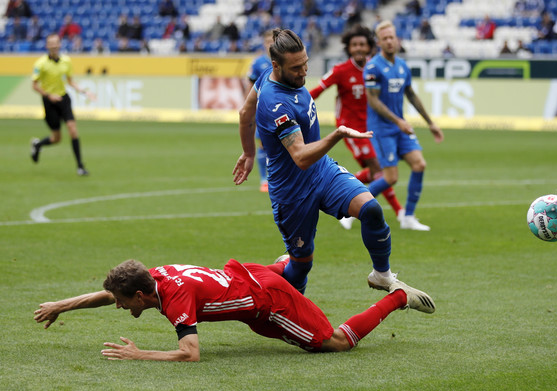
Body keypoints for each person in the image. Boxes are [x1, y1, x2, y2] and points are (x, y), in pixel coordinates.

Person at [233, 29, 433, 298]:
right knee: (302, 266)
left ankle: (382, 275)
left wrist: (247, 153)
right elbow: (301, 157)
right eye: (297, 68)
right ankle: (290, 307)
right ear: (276, 66)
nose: (304, 72)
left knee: (371, 210)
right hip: (292, 193)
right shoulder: (275, 103)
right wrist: (337, 134)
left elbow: (245, 111)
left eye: (305, 64)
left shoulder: (268, 77)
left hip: (323, 172)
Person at [34, 257, 434, 361]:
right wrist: (61, 305)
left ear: (141, 296)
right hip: (247, 278)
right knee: (279, 287)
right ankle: (288, 266)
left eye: (123, 303)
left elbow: (190, 354)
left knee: (334, 343)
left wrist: (140, 354)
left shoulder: (174, 299)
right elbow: (109, 294)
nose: (119, 307)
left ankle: (397, 295)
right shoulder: (153, 277)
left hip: (266, 301)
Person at [309, 25, 403, 230]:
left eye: (362, 44)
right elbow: (316, 91)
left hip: (372, 128)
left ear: (370, 47)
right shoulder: (340, 70)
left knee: (374, 171)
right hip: (349, 129)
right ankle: (400, 211)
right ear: (348, 48)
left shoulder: (375, 69)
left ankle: (336, 190)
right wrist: (296, 104)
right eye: (354, 45)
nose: (359, 48)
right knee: (380, 169)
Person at [364, 20, 443, 231]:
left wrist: (430, 123)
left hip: (400, 127)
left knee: (419, 164)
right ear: (379, 43)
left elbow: (411, 95)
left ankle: (408, 217)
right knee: (391, 178)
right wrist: (399, 120)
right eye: (385, 39)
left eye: (392, 37)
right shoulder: (372, 67)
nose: (390, 42)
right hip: (382, 128)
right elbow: (373, 100)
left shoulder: (402, 66)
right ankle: (354, 204)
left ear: (397, 40)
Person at [30, 33, 96, 176]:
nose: (54, 46)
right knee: (56, 138)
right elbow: (34, 85)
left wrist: (85, 92)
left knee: (72, 129)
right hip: (49, 102)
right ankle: (38, 145)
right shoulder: (40, 64)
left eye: (56, 43)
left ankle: (80, 166)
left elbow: (70, 81)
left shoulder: (66, 61)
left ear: (60, 44)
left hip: (64, 99)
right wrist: (49, 95)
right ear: (47, 46)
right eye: (51, 43)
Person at [247, 29, 274, 192]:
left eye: (273, 41)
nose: (270, 44)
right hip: (262, 110)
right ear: (263, 43)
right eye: (267, 41)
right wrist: (248, 106)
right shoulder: (258, 63)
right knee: (263, 144)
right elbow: (250, 85)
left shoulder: (286, 61)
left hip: (282, 108)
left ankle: (279, 177)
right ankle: (264, 179)